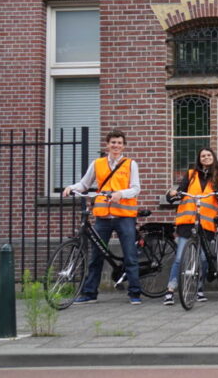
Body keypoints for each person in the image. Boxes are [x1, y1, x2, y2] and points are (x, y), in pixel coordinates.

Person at [63, 130, 143, 305]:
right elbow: (85, 184)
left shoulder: (130, 164)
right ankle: (90, 293)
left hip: (124, 215)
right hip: (103, 216)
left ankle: (135, 293)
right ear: (107, 144)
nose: (116, 146)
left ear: (124, 146)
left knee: (130, 254)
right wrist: (71, 187)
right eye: (113, 142)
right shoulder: (97, 164)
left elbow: (136, 188)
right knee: (96, 256)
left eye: (119, 143)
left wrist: (120, 194)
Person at [163, 148, 218, 306]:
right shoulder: (190, 175)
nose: (206, 157)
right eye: (203, 156)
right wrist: (174, 194)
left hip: (206, 224)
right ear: (199, 159)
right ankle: (170, 290)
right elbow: (181, 191)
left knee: (202, 258)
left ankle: (199, 288)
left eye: (209, 155)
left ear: (213, 158)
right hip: (187, 222)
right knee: (180, 257)